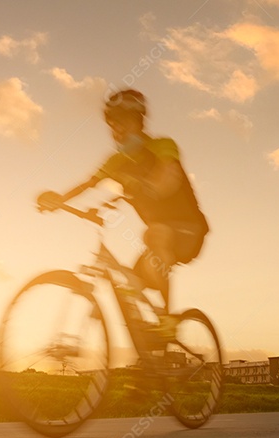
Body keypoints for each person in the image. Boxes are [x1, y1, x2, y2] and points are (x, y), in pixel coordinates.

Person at [36, 89, 209, 342]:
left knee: (154, 233)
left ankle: (168, 320)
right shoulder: (116, 161)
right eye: (112, 123)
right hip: (157, 240)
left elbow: (168, 176)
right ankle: (151, 358)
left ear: (139, 121)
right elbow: (88, 184)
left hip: (189, 230)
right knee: (132, 283)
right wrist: (59, 200)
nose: (117, 129)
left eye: (123, 121)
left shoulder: (161, 145)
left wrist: (148, 187)